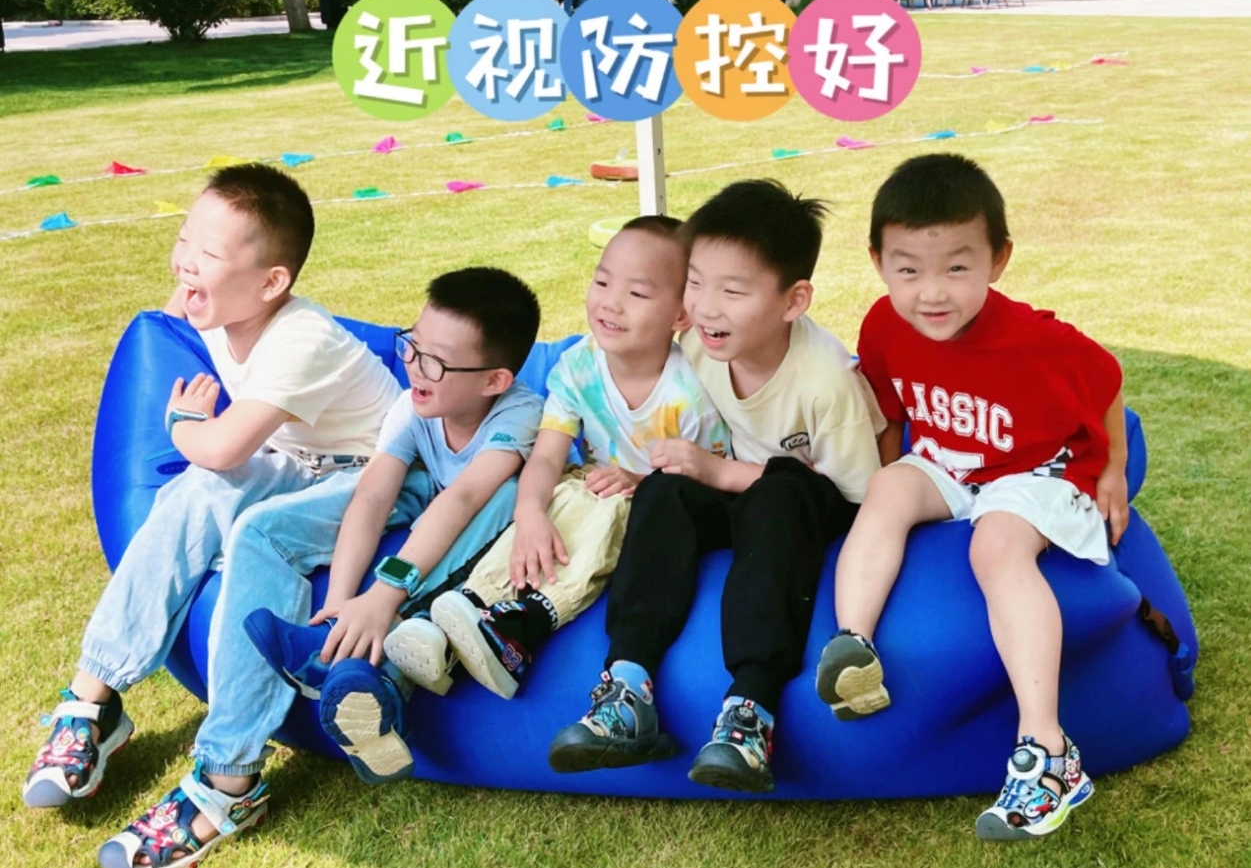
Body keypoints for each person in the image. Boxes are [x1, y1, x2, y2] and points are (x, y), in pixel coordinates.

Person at [22, 164, 402, 868]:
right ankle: (94, 698)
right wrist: (198, 275)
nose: (185, 262)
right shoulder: (222, 305)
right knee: (195, 493)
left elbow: (221, 445)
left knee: (256, 533)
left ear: (271, 282)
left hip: (379, 476)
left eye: (209, 252)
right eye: (183, 240)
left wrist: (183, 423)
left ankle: (231, 779)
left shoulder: (301, 339)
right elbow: (178, 318)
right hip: (302, 459)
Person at [821, 153, 1127, 840]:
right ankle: (853, 644)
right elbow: (890, 408)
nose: (931, 293)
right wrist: (889, 478)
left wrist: (1113, 469)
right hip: (951, 460)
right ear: (877, 262)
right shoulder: (883, 323)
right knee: (887, 487)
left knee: (995, 546)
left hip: (1036, 470)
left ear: (998, 260)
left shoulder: (1036, 340)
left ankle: (1048, 751)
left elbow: (1107, 378)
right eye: (908, 270)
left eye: (956, 268)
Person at [548, 180, 883, 793]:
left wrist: (725, 473)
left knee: (780, 488)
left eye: (732, 291)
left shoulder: (825, 380)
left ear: (793, 300)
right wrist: (652, 474)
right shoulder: (699, 349)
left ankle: (750, 714)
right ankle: (627, 687)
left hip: (804, 506)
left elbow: (855, 496)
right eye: (695, 283)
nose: (705, 308)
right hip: (733, 492)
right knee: (663, 487)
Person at [384, 217, 730, 700]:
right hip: (587, 486)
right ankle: (460, 611)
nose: (610, 302)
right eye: (602, 282)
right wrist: (529, 514)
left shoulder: (691, 394)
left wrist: (641, 481)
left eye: (637, 293)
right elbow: (546, 458)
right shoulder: (578, 367)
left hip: (650, 510)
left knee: (603, 510)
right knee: (548, 498)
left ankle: (522, 629)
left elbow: (706, 484)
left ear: (680, 316)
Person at [244, 267, 544, 784]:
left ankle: (361, 676)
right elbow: (373, 495)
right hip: (447, 528)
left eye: (436, 362)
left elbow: (466, 499)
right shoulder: (413, 407)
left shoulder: (521, 413)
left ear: (494, 381)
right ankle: (348, 664)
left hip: (509, 546)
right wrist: (341, 601)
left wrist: (385, 595)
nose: (415, 368)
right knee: (405, 494)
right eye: (412, 346)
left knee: (501, 495)